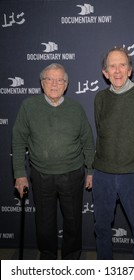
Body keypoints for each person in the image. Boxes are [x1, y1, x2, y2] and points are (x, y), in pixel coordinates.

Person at [12, 63, 95, 260]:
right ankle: (47, 259)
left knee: (73, 222)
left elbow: (88, 141)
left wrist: (91, 170)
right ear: (42, 83)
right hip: (41, 176)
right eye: (49, 79)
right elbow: (18, 141)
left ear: (66, 85)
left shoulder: (76, 108)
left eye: (60, 80)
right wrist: (19, 174)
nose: (54, 84)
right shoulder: (28, 107)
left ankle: (71, 258)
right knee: (44, 223)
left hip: (72, 174)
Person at [92, 47, 134, 260]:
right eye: (112, 66)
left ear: (130, 70)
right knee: (102, 228)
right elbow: (101, 132)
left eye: (122, 65)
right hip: (103, 174)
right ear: (105, 73)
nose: (117, 71)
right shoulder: (100, 98)